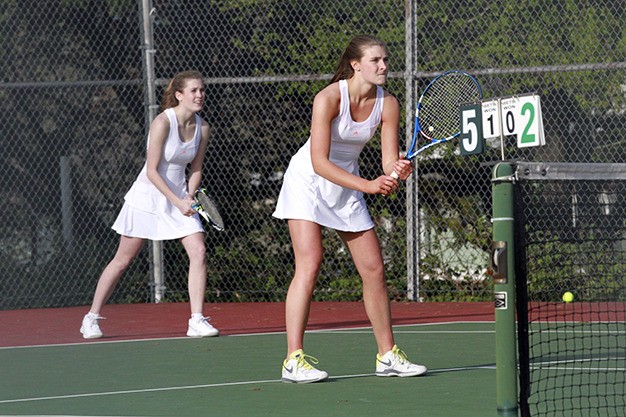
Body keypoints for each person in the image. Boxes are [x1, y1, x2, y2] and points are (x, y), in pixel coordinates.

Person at [272, 35, 427, 383]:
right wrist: (370, 186)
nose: (384, 66)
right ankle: (293, 359)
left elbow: (388, 160)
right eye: (375, 61)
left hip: (348, 185)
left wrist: (397, 169)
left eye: (385, 60)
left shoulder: (388, 104)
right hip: (308, 181)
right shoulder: (328, 98)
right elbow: (319, 162)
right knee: (310, 263)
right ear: (356, 65)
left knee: (374, 269)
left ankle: (387, 356)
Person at [80, 70, 219, 339]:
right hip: (147, 197)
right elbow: (152, 170)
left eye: (202, 90)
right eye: (193, 90)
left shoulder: (203, 127)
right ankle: (91, 317)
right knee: (123, 260)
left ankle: (197, 320)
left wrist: (188, 196)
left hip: (179, 197)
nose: (200, 95)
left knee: (198, 250)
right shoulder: (162, 122)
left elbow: (196, 168)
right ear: (179, 95)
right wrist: (178, 201)